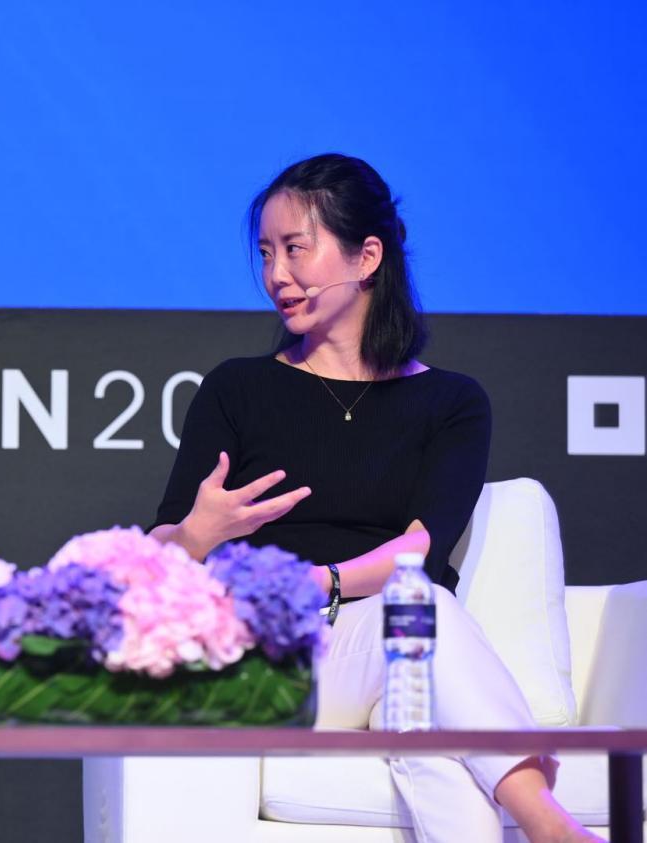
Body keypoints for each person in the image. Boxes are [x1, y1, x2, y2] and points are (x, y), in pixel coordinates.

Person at [151, 153, 598, 842]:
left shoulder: (450, 402)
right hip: (274, 659)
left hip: (393, 648)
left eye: (295, 249)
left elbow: (422, 546)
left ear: (366, 257)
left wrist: (321, 579)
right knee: (421, 614)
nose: (276, 274)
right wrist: (195, 535)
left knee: (427, 724)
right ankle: (549, 823)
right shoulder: (236, 388)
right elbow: (157, 558)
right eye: (265, 253)